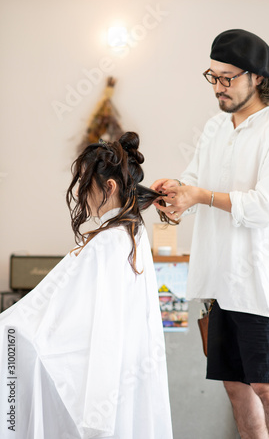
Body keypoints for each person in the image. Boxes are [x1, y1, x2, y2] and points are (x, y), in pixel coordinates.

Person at [151, 29, 269, 439]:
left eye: (228, 78)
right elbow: (195, 178)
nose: (218, 87)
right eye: (213, 76)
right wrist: (176, 191)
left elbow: (266, 207)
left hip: (264, 285)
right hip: (221, 281)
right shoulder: (215, 129)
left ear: (257, 77)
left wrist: (200, 194)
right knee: (237, 387)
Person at [0, 132, 173, 439]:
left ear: (110, 186)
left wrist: (10, 328)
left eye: (85, 183)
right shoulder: (134, 234)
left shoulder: (107, 243)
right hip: (127, 373)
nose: (80, 191)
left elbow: (68, 326)